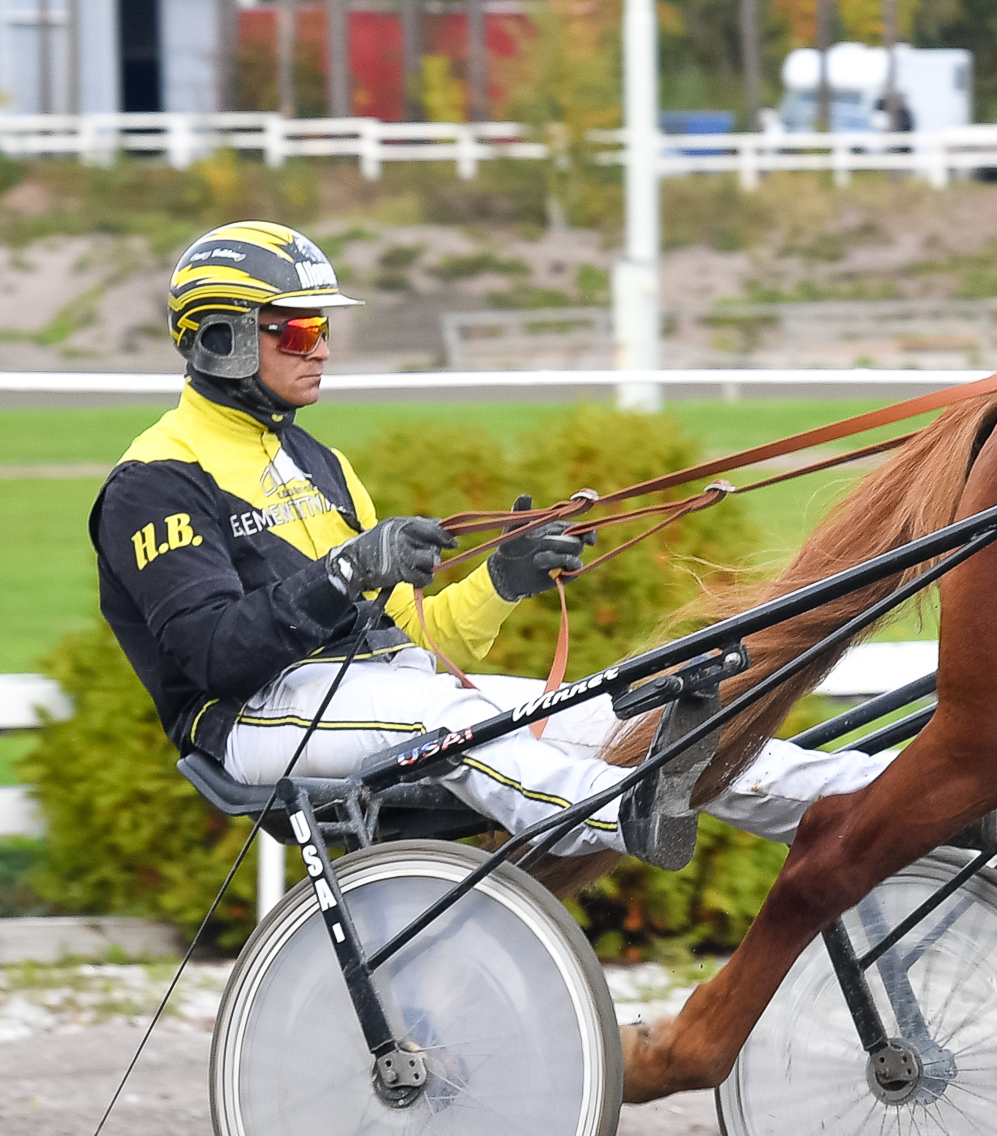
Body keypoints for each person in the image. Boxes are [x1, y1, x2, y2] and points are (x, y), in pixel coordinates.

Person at [91, 220, 885, 860]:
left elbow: (420, 640)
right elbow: (212, 656)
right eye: (296, 328)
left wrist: (501, 582)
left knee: (614, 712)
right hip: (250, 722)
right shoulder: (156, 480)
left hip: (385, 693)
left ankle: (884, 799)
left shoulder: (319, 463)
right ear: (221, 336)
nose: (322, 345)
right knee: (438, 713)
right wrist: (344, 569)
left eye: (322, 325)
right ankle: (612, 817)